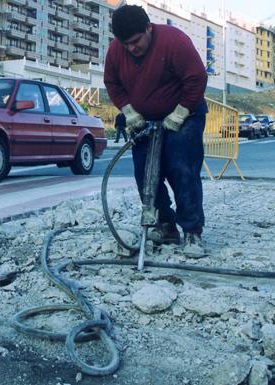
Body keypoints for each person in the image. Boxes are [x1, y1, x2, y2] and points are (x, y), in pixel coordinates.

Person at [103, 5, 208, 258]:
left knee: (181, 168)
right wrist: (129, 111)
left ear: (148, 28)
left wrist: (180, 113)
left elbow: (196, 79)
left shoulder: (175, 41)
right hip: (145, 119)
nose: (131, 48)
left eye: (135, 41)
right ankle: (165, 225)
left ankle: (192, 231)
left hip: (185, 114)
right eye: (125, 43)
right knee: (145, 173)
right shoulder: (117, 50)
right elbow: (112, 83)